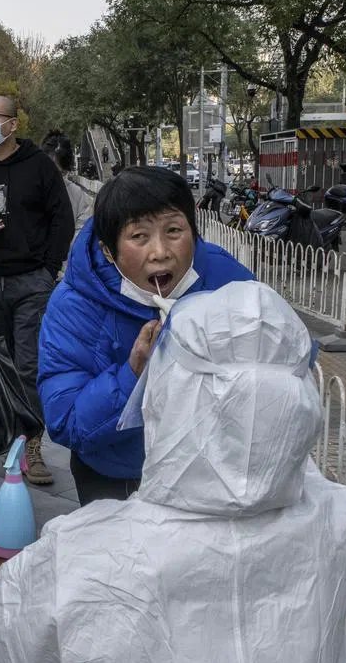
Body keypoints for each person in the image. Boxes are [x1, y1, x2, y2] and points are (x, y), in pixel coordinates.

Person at [0, 282, 346, 663]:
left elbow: (4, 659)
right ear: (300, 408)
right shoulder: (332, 518)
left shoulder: (87, 553)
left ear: (168, 397)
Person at [38, 166, 253, 505]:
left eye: (173, 230)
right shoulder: (74, 305)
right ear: (109, 250)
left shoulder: (225, 277)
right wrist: (133, 374)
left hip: (209, 472)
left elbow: (286, 359)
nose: (161, 252)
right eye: (139, 237)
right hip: (117, 479)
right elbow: (66, 422)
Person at [0, 95, 74, 485]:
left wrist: (48, 268)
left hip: (31, 282)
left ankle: (32, 443)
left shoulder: (39, 165)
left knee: (28, 364)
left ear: (12, 123)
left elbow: (62, 218)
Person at [41, 129, 99, 233]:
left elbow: (82, 234)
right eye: (48, 171)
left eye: (60, 173)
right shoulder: (27, 190)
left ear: (67, 170)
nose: (53, 178)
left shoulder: (78, 196)